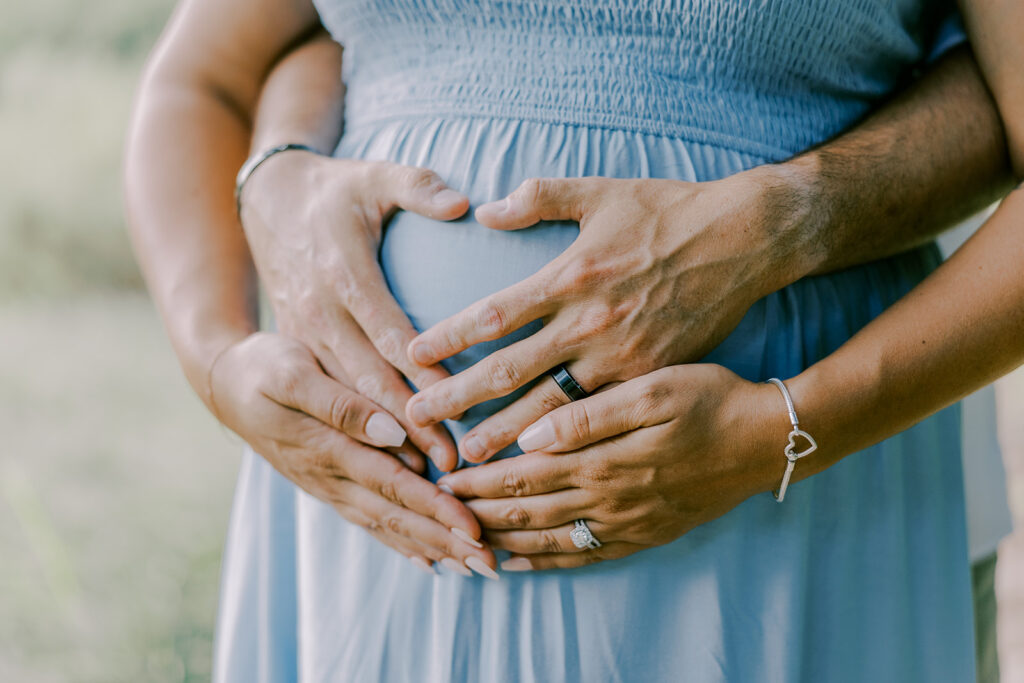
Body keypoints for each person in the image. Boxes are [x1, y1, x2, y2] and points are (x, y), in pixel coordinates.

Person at [124, 1, 1023, 680]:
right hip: (368, 537)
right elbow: (201, 77)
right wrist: (219, 362)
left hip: (788, 503)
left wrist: (776, 433)